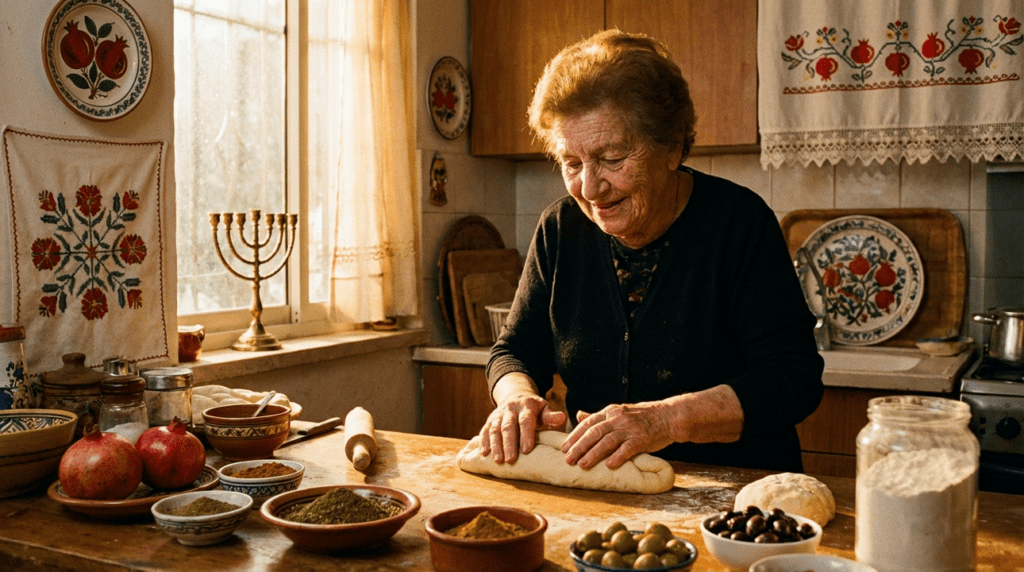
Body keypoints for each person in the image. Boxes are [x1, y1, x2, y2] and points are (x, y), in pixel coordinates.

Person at [479, 29, 824, 474]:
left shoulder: (738, 223)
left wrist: (667, 419)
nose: (589, 187)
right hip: (606, 494)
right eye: (571, 162)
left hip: (738, 501)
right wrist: (516, 397)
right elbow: (516, 349)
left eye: (612, 157)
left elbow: (792, 378)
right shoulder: (559, 229)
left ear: (672, 146)